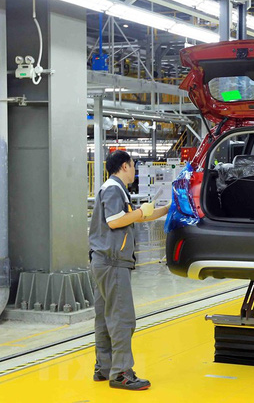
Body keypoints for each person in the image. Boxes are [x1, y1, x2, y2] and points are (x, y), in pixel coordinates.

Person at [89, 150, 170, 390]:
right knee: (122, 318)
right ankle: (122, 373)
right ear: (125, 166)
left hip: (103, 261)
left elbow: (135, 218)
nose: (135, 169)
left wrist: (167, 209)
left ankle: (104, 368)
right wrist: (140, 212)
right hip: (113, 262)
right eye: (133, 165)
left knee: (105, 318)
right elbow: (115, 221)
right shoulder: (113, 189)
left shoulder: (115, 189)